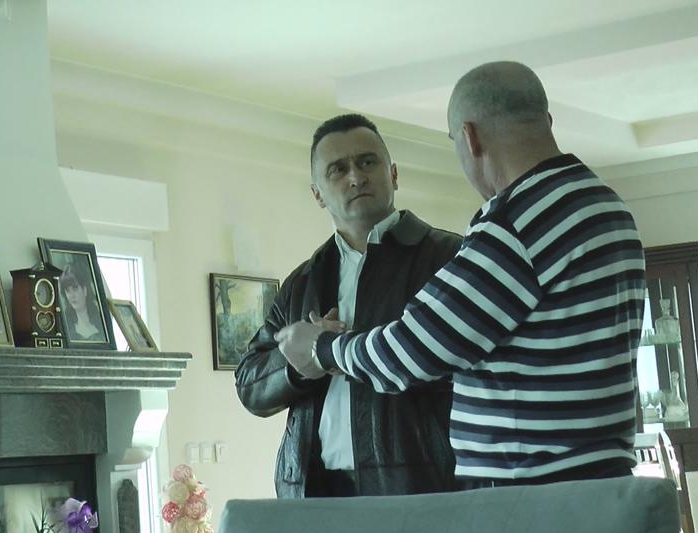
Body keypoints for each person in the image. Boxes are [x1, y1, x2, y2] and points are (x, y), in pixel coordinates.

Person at [276, 62, 646, 488]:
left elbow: (413, 351)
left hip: (534, 490)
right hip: (605, 480)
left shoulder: (514, 222)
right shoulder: (605, 205)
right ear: (546, 119)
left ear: (470, 138)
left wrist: (322, 348)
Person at [235, 113, 463, 498]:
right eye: (338, 169)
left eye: (367, 162)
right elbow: (249, 385)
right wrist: (300, 364)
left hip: (419, 488)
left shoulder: (448, 257)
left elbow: (463, 361)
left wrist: (333, 350)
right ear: (318, 194)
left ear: (393, 174)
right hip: (313, 492)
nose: (356, 177)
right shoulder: (301, 282)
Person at [60, 263, 107, 343]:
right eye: (68, 290)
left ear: (85, 290)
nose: (72, 295)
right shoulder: (64, 326)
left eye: (75, 288)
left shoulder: (102, 320)